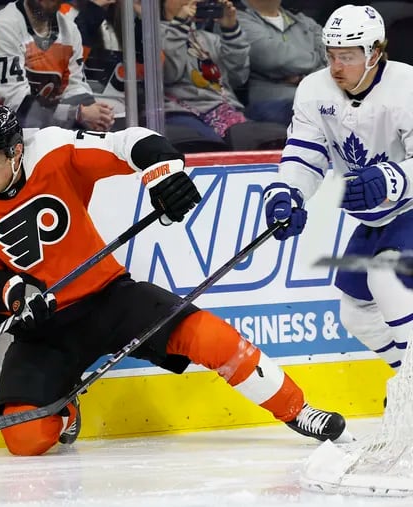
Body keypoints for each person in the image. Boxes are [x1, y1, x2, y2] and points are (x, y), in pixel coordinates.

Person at [0, 106, 350, 456]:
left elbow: (127, 142)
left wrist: (163, 172)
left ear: (17, 151)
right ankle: (66, 404)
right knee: (25, 440)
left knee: (210, 338)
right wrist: (18, 293)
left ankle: (298, 410)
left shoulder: (54, 149)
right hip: (44, 326)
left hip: (109, 296)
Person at [262, 5, 412, 375]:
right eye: (331, 56)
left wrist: (392, 178)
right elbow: (304, 155)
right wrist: (286, 193)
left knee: (385, 276)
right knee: (357, 314)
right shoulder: (314, 90)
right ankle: (406, 384)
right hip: (377, 221)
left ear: (374, 53)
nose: (336, 67)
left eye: (347, 56)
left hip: (409, 210)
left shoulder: (407, 86)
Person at [0, 0, 115, 131]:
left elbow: (75, 87)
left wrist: (96, 115)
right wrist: (78, 113)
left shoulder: (70, 31)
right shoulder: (5, 24)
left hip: (38, 124)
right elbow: (17, 102)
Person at [161, 0, 287, 150]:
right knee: (210, 144)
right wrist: (179, 24)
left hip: (227, 110)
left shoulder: (208, 38)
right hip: (181, 111)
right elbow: (169, 74)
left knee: (293, 113)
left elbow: (238, 77)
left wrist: (230, 29)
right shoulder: (152, 34)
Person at [237, 0, 326, 126]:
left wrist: (304, 79)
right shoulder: (236, 19)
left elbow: (332, 56)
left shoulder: (303, 20)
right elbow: (275, 58)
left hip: (316, 97)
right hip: (273, 102)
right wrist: (317, 60)